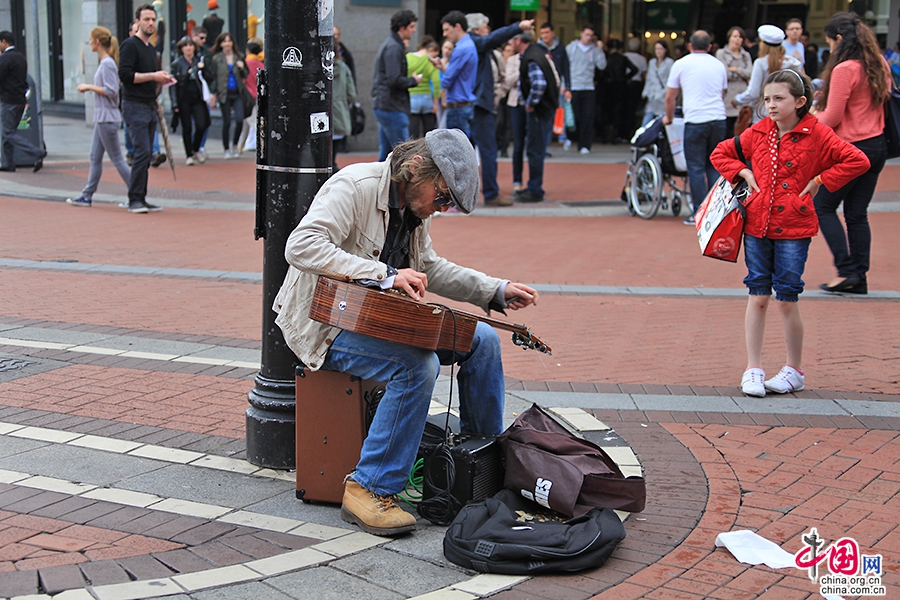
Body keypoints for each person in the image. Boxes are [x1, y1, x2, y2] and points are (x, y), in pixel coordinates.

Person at [272, 129, 538, 536]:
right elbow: (301, 246)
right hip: (324, 325)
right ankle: (368, 488)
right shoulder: (355, 186)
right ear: (415, 168)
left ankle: (482, 465)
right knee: (417, 365)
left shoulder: (414, 208)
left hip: (375, 320)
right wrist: (384, 274)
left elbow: (430, 267)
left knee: (482, 340)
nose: (442, 208)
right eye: (443, 196)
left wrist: (494, 290)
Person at [710, 69, 868, 397]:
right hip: (756, 225)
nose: (770, 105)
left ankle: (794, 370)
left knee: (786, 298)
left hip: (794, 228)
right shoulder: (759, 132)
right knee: (758, 295)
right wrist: (742, 171)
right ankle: (753, 368)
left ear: (799, 102)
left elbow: (857, 160)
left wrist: (820, 181)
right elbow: (720, 153)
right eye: (766, 99)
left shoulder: (818, 133)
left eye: (778, 98)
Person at [813, 13, 890, 295]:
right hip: (877, 145)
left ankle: (846, 271)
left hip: (851, 148)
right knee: (857, 214)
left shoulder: (845, 69)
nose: (830, 47)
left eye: (830, 42)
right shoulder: (878, 63)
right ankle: (859, 275)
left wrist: (805, 120)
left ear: (840, 40)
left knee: (822, 206)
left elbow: (832, 116)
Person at [467, 13, 534, 207]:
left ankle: (474, 192)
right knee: (487, 149)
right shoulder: (477, 43)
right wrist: (518, 26)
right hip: (480, 104)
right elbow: (494, 38)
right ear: (477, 29)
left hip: (474, 102)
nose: (488, 30)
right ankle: (490, 193)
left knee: (471, 149)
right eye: (485, 27)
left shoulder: (469, 44)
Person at [663, 30, 728, 224]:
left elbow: (670, 96)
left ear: (689, 46)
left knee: (696, 167)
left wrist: (669, 118)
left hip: (695, 119)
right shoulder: (718, 64)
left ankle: (699, 210)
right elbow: (722, 93)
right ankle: (716, 210)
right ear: (709, 47)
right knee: (714, 165)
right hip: (718, 118)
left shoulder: (681, 64)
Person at [119, 4, 174, 213]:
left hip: (150, 106)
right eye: (147, 19)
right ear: (138, 22)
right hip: (135, 106)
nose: (151, 23)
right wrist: (154, 76)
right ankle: (134, 199)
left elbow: (148, 78)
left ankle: (140, 196)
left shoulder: (151, 49)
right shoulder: (130, 45)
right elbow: (125, 75)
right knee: (142, 152)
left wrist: (162, 79)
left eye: (153, 19)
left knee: (147, 152)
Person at [66, 27, 130, 206]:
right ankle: (87, 195)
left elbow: (111, 90)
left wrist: (88, 87)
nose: (89, 43)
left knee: (116, 158)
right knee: (95, 156)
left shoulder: (107, 63)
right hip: (104, 117)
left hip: (107, 117)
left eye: (90, 40)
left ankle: (136, 193)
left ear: (97, 42)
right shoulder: (106, 63)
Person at [511, 30, 558, 203]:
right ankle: (534, 186)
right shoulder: (536, 53)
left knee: (535, 149)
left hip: (540, 111)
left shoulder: (531, 57)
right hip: (543, 110)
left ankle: (535, 189)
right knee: (535, 149)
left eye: (512, 39)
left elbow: (539, 84)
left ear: (518, 40)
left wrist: (530, 104)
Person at [372, 10, 422, 161]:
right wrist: (414, 81)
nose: (414, 30)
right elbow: (394, 79)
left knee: (387, 153)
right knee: (403, 155)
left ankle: (381, 183)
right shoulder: (394, 48)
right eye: (412, 26)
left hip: (387, 105)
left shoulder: (391, 45)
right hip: (392, 106)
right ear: (402, 27)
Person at [734, 26, 803, 125]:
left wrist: (737, 100)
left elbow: (753, 92)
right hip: (788, 116)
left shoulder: (761, 63)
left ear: (763, 45)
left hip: (763, 115)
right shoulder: (794, 63)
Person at [0, 31, 46, 173]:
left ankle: (36, 152)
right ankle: (8, 162)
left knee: (8, 132)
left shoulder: (6, 58)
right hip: (19, 100)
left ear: (4, 42)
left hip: (9, 100)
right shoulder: (20, 57)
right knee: (8, 132)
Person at [566, 24, 607, 152]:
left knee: (588, 117)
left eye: (591, 35)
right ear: (581, 33)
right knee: (574, 116)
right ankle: (571, 137)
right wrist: (565, 86)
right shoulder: (571, 48)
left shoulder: (594, 50)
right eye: (587, 34)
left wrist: (600, 50)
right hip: (574, 86)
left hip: (588, 87)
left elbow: (602, 66)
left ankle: (584, 145)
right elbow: (564, 67)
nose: (589, 38)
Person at [436, 11, 478, 137]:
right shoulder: (469, 45)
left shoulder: (461, 48)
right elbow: (457, 76)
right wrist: (444, 69)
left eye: (447, 30)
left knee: (456, 151)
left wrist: (444, 73)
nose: (445, 34)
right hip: (463, 105)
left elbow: (448, 79)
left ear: (458, 27)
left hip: (457, 107)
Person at [170, 37, 210, 166]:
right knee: (187, 127)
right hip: (184, 99)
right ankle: (189, 155)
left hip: (198, 98)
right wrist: (174, 104)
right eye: (185, 46)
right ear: (181, 48)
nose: (188, 48)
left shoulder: (199, 61)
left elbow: (209, 78)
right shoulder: (177, 64)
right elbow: (173, 85)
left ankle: (195, 148)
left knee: (202, 125)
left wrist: (203, 69)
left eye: (191, 45)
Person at [210, 32, 247, 159]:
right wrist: (212, 93)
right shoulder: (217, 58)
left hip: (237, 93)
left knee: (239, 119)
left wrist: (242, 68)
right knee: (226, 122)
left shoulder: (238, 56)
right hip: (224, 93)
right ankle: (226, 148)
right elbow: (213, 76)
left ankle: (235, 144)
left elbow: (246, 75)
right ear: (220, 44)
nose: (227, 44)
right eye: (224, 41)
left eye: (229, 41)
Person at [537, 23, 571, 152]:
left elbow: (566, 69)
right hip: (542, 87)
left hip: (558, 87)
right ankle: (544, 145)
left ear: (553, 33)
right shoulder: (537, 48)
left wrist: (567, 87)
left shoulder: (561, 49)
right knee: (545, 115)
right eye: (542, 33)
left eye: (547, 32)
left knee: (560, 113)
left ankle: (562, 138)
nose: (544, 36)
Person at [600, 39, 639, 144]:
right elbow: (635, 69)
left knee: (608, 111)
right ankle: (619, 134)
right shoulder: (623, 58)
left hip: (609, 87)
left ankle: (607, 134)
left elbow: (601, 73)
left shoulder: (607, 59)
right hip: (621, 86)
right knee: (620, 111)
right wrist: (625, 78)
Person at [716, 26, 753, 135]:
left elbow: (750, 73)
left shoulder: (746, 55)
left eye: (740, 37)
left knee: (741, 127)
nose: (738, 39)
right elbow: (724, 73)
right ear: (729, 38)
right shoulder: (721, 53)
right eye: (735, 36)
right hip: (727, 93)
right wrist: (742, 73)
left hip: (742, 92)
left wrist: (737, 69)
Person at [406, 36, 441, 139]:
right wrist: (436, 102)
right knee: (430, 132)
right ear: (431, 49)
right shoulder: (429, 61)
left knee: (413, 132)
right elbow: (436, 80)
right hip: (427, 98)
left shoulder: (408, 57)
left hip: (412, 97)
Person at [190, 25, 214, 162]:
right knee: (190, 124)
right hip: (189, 93)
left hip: (203, 92)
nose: (204, 41)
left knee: (204, 122)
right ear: (193, 35)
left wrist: (212, 91)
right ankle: (192, 149)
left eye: (205, 38)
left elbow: (210, 74)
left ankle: (199, 147)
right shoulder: (183, 50)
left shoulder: (206, 53)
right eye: (201, 38)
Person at [331, 51, 357, 170]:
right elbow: (351, 94)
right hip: (339, 114)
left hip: (318, 118)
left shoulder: (314, 65)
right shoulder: (343, 67)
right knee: (333, 158)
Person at [238, 40, 264, 154]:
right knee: (247, 121)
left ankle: (262, 145)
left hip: (247, 96)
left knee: (252, 122)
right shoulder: (261, 64)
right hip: (258, 95)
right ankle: (240, 145)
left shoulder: (245, 63)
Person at [640, 40, 673, 127]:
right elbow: (649, 79)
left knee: (662, 120)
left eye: (660, 49)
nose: (658, 51)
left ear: (665, 50)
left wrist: (665, 92)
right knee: (647, 119)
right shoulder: (652, 62)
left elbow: (670, 80)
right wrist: (645, 92)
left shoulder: (669, 62)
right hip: (652, 95)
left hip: (663, 96)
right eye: (656, 49)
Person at [624, 38, 648, 138]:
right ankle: (632, 130)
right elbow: (644, 75)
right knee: (634, 109)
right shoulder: (642, 59)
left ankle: (624, 131)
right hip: (636, 85)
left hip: (626, 84)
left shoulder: (624, 56)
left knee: (625, 108)